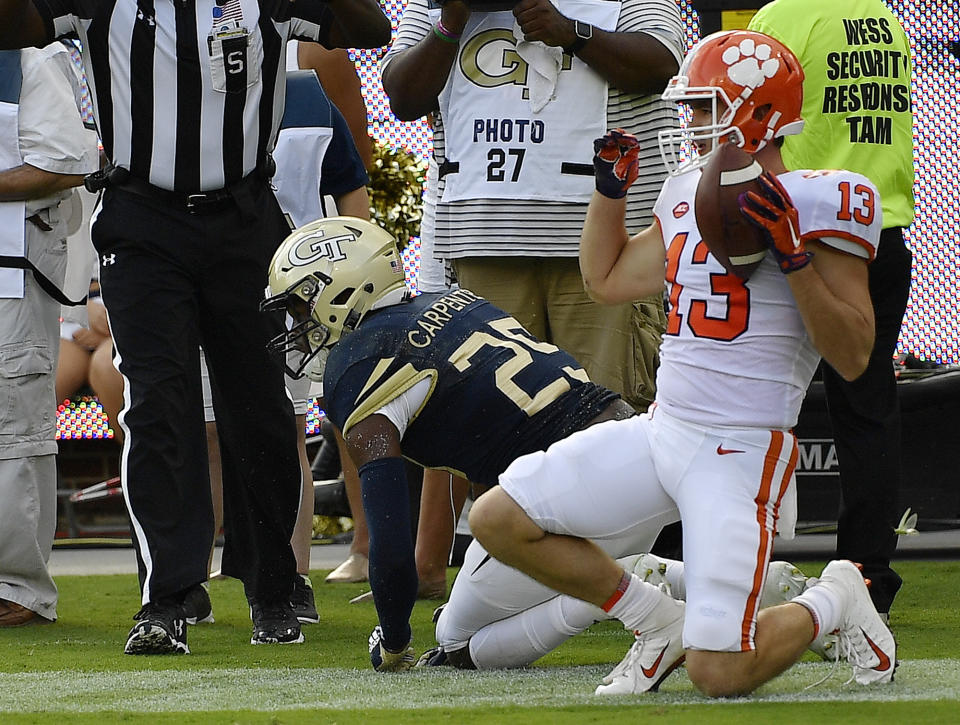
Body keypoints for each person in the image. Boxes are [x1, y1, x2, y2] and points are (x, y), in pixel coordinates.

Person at [465, 30, 896, 697]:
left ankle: (836, 596)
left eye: (703, 106)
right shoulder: (685, 190)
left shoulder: (824, 200)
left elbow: (853, 354)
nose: (689, 122)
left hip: (741, 448)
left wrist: (795, 256)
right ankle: (656, 619)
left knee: (719, 671)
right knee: (498, 517)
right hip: (664, 430)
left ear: (756, 111)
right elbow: (605, 280)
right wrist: (609, 192)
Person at [0, 0, 391, 654]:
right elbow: (14, 25)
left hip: (244, 217)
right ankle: (168, 594)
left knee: (260, 406)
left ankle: (273, 585)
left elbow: (372, 29)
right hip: (141, 220)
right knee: (159, 399)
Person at [261, 216, 651, 670]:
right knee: (481, 600)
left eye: (302, 307)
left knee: (456, 635)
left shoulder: (359, 363)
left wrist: (393, 639)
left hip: (583, 495)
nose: (299, 323)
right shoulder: (452, 301)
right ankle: (644, 581)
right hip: (631, 444)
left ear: (341, 289)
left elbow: (388, 534)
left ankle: (642, 595)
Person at [380, 0, 684, 414]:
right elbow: (402, 96)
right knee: (491, 421)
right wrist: (451, 23)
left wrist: (573, 33)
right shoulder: (434, 7)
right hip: (486, 239)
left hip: (605, 249)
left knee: (609, 415)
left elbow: (660, 64)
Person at [748, 0, 915, 624]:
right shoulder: (884, 18)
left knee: (749, 399)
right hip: (880, 234)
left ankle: (729, 564)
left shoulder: (780, 18)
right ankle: (870, 574)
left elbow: (745, 117)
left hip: (800, 230)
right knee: (869, 411)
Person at [203, 63, 373, 625]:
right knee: (198, 430)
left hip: (289, 296)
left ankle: (291, 575)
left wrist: (346, 267)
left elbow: (351, 186)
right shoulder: (170, 75)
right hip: (202, 279)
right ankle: (186, 576)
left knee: (283, 432)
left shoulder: (304, 92)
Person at [0, 43, 98, 627]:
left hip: (12, 279)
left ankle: (19, 589)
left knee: (14, 427)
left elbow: (67, 165)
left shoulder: (29, 60)